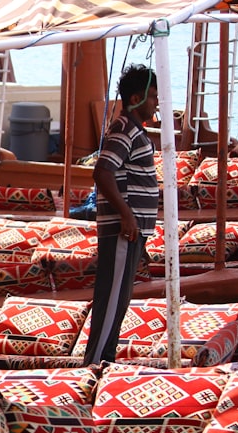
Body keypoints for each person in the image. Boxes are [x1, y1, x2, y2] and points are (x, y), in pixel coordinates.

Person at [83, 64, 159, 365]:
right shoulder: (125, 128)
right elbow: (103, 172)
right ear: (137, 98)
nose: (156, 104)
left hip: (132, 231)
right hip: (122, 231)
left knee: (120, 298)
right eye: (152, 97)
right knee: (112, 299)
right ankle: (96, 363)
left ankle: (106, 359)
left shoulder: (134, 130)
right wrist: (127, 216)